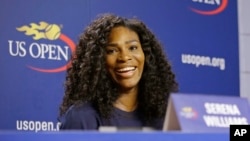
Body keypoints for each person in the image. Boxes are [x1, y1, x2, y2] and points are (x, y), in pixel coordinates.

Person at [59, 13, 178, 130]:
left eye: (133, 48)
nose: (125, 57)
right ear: (98, 60)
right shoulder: (83, 117)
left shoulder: (163, 118)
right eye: (112, 51)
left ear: (146, 55)